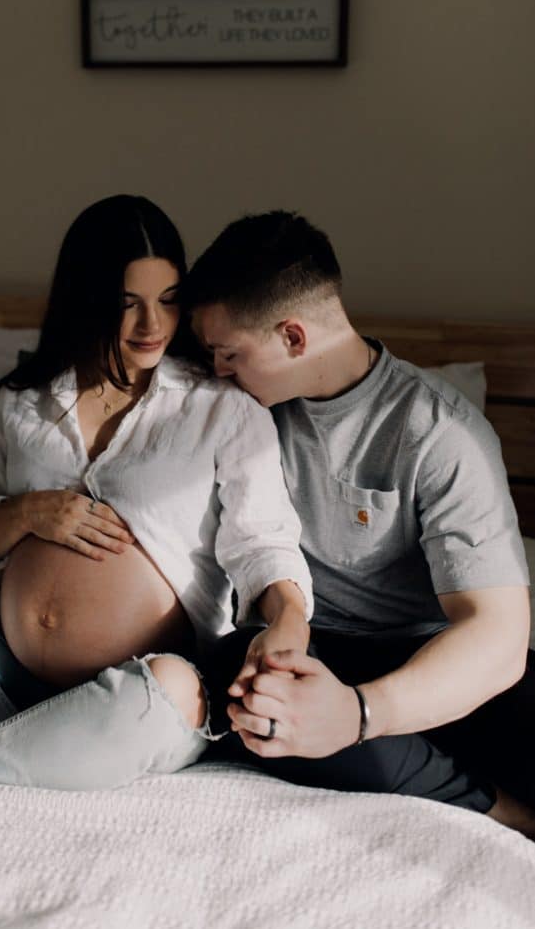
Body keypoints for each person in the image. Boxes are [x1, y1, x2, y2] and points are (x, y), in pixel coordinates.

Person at [0, 195, 312, 790]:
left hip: (146, 679)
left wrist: (289, 620)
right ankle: (46, 738)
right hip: (0, 671)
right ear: (86, 299)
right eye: (128, 304)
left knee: (171, 690)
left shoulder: (222, 409)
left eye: (167, 301)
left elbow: (263, 541)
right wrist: (28, 512)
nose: (152, 326)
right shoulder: (20, 402)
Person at [185, 210, 535, 838]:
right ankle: (491, 809)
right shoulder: (235, 409)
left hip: (427, 657)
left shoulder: (439, 433)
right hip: (307, 650)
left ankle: (384, 751)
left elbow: (497, 637)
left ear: (294, 338)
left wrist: (361, 713)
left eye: (230, 354)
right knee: (249, 687)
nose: (217, 372)